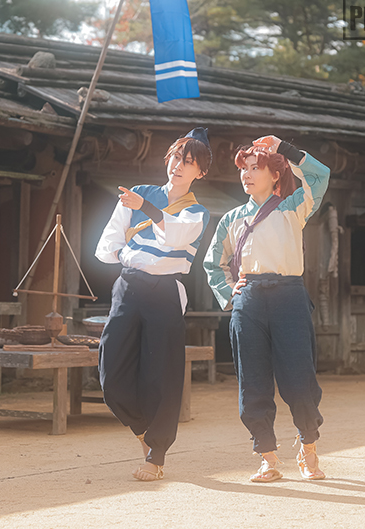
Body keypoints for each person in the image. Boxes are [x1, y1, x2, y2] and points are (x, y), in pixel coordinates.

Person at [203, 135, 330, 482]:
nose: (246, 174)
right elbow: (213, 263)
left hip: (289, 295)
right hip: (250, 299)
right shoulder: (231, 218)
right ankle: (267, 457)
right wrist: (230, 294)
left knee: (299, 377)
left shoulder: (293, 206)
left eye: (255, 167)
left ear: (276, 174)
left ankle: (308, 445)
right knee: (253, 380)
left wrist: (285, 149)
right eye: (244, 168)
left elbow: (320, 176)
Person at [94, 127, 212, 481]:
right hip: (129, 285)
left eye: (188, 162)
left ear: (200, 172)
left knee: (160, 373)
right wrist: (126, 256)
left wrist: (144, 208)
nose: (179, 165)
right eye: (176, 157)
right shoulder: (139, 193)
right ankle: (145, 433)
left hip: (165, 292)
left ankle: (156, 455)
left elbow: (175, 234)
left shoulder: (197, 212)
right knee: (110, 370)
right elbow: (110, 239)